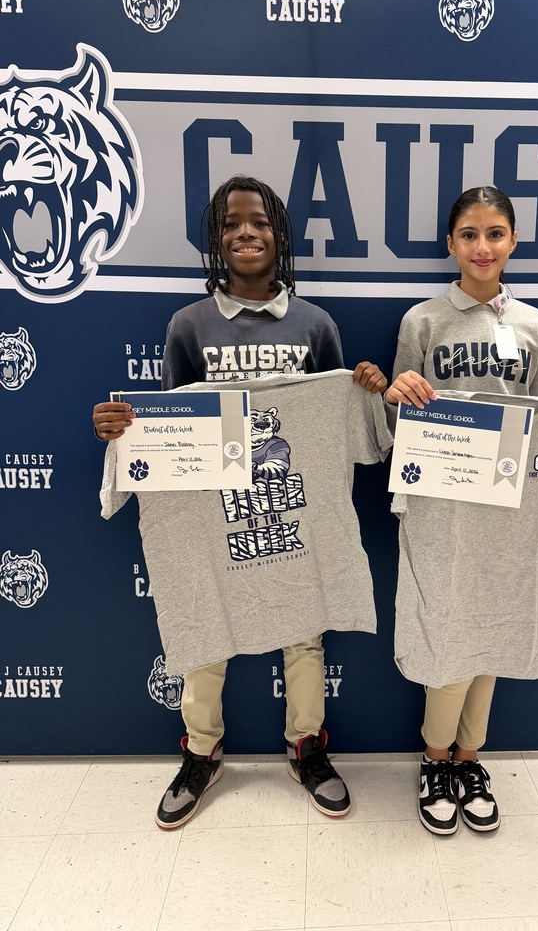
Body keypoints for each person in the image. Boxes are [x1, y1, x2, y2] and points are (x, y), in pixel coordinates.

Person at [93, 175, 387, 828]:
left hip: (290, 502)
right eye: (231, 224)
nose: (245, 233)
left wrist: (366, 387)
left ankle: (306, 747)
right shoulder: (188, 326)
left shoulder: (316, 324)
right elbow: (169, 426)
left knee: (303, 631)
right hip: (211, 508)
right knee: (204, 623)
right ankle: (202, 752)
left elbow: (338, 418)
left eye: (258, 222)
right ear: (216, 240)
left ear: (281, 235)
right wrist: (124, 429)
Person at [384, 186, 538, 835]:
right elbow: (394, 417)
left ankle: (469, 758)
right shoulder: (423, 321)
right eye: (469, 234)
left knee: (493, 626)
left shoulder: (534, 325)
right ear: (451, 244)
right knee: (449, 629)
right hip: (442, 506)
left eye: (495, 233)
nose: (482, 246)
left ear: (513, 242)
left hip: (511, 507)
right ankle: (434, 758)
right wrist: (397, 391)